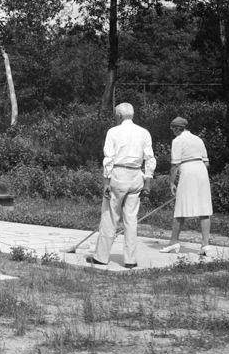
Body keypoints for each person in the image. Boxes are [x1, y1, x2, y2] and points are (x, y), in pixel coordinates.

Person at [87, 102, 156, 269]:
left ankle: (101, 257)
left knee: (110, 217)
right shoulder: (144, 132)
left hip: (119, 174)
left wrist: (106, 181)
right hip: (136, 176)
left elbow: (108, 158)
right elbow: (150, 158)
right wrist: (148, 181)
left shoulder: (113, 132)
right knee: (131, 220)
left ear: (118, 116)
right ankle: (130, 260)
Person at [160, 117, 214, 257]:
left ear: (178, 128)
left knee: (180, 207)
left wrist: (172, 183)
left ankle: (173, 242)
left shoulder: (177, 141)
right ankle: (205, 245)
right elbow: (207, 163)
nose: (171, 130)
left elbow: (175, 165)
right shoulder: (198, 139)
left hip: (188, 170)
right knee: (204, 207)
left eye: (173, 127)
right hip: (202, 170)